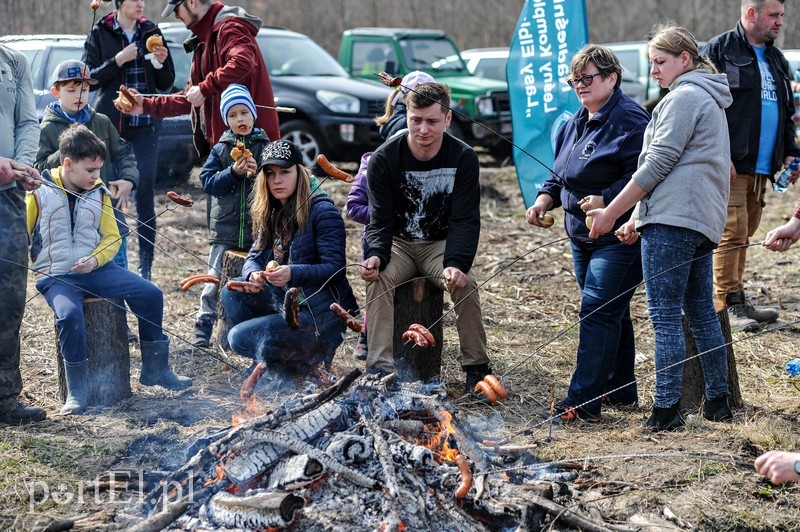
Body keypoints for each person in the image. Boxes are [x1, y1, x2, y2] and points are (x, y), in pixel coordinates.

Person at [586, 23, 734, 431]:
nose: (653, 70)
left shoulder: (684, 97)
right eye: (651, 62)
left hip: (674, 223)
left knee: (665, 317)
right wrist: (637, 217)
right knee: (701, 313)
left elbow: (658, 164)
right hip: (696, 221)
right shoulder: (707, 97)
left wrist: (612, 212)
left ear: (684, 59)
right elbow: (682, 170)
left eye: (660, 61)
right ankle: (718, 402)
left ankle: (666, 409)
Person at [28, 124, 191, 416]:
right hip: (58, 277)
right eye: (91, 170)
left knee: (150, 293)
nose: (96, 176)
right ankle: (78, 392)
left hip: (97, 271)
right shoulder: (39, 193)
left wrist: (95, 260)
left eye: (99, 169)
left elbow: (112, 237)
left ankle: (155, 369)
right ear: (68, 163)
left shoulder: (99, 192)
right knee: (69, 316)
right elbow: (23, 232)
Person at [525, 45, 648, 422]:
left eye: (587, 78)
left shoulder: (632, 121)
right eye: (574, 79)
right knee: (612, 312)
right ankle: (621, 388)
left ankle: (582, 401)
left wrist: (608, 199)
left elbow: (647, 174)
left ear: (612, 78)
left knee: (596, 312)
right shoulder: (575, 121)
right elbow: (558, 172)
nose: (579, 85)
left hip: (621, 236)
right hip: (582, 237)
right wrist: (544, 199)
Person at [359, 82, 491, 391]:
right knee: (378, 279)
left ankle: (477, 368)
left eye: (432, 121)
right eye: (415, 120)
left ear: (447, 119)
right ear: (406, 116)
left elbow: (466, 220)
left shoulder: (463, 157)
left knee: (466, 284)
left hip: (439, 244)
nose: (423, 129)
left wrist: (456, 263)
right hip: (399, 243)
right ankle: (380, 370)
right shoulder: (383, 159)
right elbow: (379, 220)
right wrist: (375, 253)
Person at [702, 0, 800, 332]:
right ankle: (726, 304)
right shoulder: (719, 50)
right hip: (728, 163)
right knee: (731, 232)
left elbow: (786, 113)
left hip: (763, 166)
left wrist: (789, 152)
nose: (780, 22)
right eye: (774, 15)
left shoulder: (776, 59)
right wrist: (718, 152)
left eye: (782, 15)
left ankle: (737, 296)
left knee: (745, 232)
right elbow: (705, 106)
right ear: (751, 13)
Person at [221, 140, 357, 376]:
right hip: (287, 301)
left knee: (238, 338)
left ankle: (299, 360)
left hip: (319, 314)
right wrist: (252, 273)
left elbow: (335, 268)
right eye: (271, 173)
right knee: (231, 292)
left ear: (300, 173)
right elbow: (254, 255)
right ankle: (272, 362)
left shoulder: (322, 211)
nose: (277, 180)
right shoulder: (271, 208)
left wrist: (293, 273)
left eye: (285, 172)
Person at [345, 70, 436, 361]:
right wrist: (386, 215)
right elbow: (353, 207)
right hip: (382, 239)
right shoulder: (374, 162)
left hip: (421, 243)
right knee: (379, 285)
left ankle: (413, 341)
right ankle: (367, 337)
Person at [83, 0, 175, 281]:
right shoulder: (100, 31)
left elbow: (165, 82)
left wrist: (160, 63)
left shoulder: (151, 30)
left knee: (145, 195)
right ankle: (112, 258)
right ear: (119, 4)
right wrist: (118, 60)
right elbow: (90, 77)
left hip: (145, 129)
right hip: (111, 128)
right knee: (109, 195)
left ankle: (145, 265)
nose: (141, 4)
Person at [127, 0, 280, 159]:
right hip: (227, 150)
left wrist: (205, 88)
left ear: (192, 2)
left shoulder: (230, 29)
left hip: (252, 148)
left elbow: (243, 62)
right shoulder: (203, 39)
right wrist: (146, 105)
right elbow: (191, 97)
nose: (177, 16)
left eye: (177, 9)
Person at [193, 84, 269, 347]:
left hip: (255, 228)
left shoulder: (264, 145)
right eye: (233, 115)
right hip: (224, 228)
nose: (240, 119)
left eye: (244, 113)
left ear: (253, 114)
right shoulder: (222, 149)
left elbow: (274, 182)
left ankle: (242, 326)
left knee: (249, 278)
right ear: (227, 120)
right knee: (214, 279)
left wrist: (259, 172)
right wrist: (233, 173)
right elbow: (208, 182)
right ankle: (204, 322)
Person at [0, 43, 46, 425]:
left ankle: (4, 400)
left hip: (8, 199)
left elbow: (28, 122)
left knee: (9, 300)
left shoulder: (13, 61)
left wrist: (24, 163)